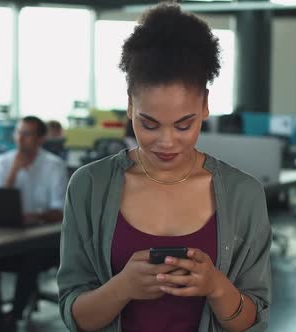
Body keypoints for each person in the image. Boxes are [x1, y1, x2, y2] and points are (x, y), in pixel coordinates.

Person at [57, 3, 271, 332]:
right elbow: (75, 316)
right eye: (150, 124)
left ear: (205, 105)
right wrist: (122, 287)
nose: (167, 142)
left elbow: (252, 320)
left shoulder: (244, 195)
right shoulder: (89, 186)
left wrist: (216, 286)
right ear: (129, 105)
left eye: (184, 125)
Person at [0, 116, 68, 332]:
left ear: (40, 139)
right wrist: (13, 173)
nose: (20, 139)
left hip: (43, 238)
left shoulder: (54, 166)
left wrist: (35, 217)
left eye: (27, 134)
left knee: (32, 256)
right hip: (9, 235)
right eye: (18, 133)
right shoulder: (2, 163)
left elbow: (61, 211)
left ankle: (14, 316)